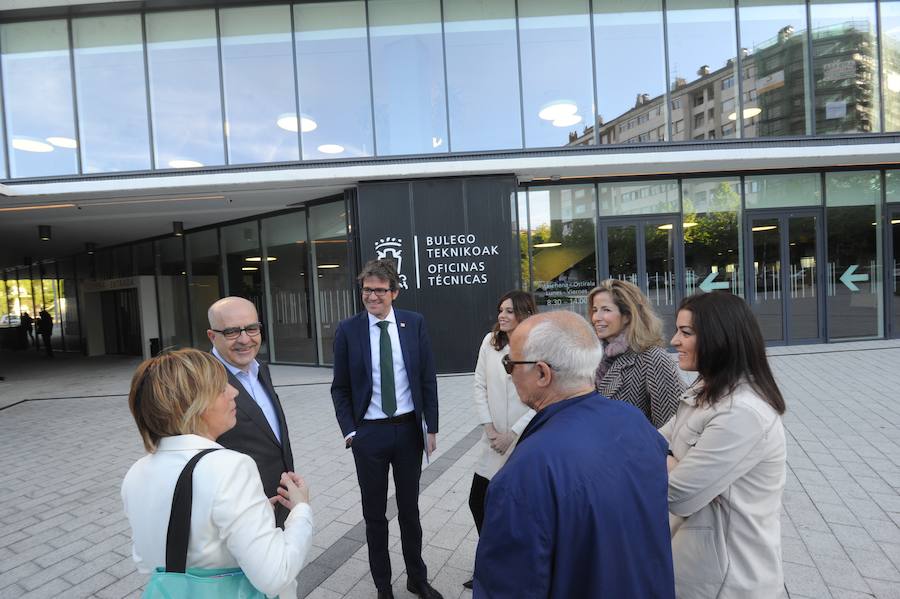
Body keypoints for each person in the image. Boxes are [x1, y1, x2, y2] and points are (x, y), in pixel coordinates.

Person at [473, 311, 675, 598]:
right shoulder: (634, 421)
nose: (509, 374)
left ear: (542, 373)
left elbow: (508, 587)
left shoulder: (526, 471)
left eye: (510, 363)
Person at [121, 349, 314, 598]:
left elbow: (146, 560)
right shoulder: (231, 467)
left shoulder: (136, 473)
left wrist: (251, 512)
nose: (234, 393)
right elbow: (276, 575)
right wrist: (301, 511)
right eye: (222, 388)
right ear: (194, 404)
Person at [331, 259, 442, 599]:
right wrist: (351, 431)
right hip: (370, 435)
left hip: (408, 431)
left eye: (380, 290)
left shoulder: (414, 323)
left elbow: (426, 378)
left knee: (410, 510)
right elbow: (341, 387)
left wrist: (431, 427)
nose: (372, 296)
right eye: (367, 290)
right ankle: (383, 585)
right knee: (374, 515)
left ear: (394, 292)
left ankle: (417, 578)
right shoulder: (349, 330)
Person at [663, 291, 787, 598]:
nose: (674, 340)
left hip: (728, 579)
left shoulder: (741, 412)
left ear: (720, 338)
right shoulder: (706, 388)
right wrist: (676, 461)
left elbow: (675, 495)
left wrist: (670, 460)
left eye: (686, 332)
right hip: (696, 561)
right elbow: (651, 442)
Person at [463, 290, 536, 590]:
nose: (501, 315)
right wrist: (489, 427)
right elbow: (479, 383)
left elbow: (541, 397)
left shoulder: (538, 345)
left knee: (519, 509)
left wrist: (513, 433)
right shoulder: (490, 342)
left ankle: (519, 569)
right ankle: (492, 564)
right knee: (478, 501)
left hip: (524, 440)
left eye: (508, 311)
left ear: (523, 313)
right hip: (493, 439)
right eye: (500, 310)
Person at [207, 296, 295, 528]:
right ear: (212, 336)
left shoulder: (260, 368)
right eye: (232, 332)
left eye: (252, 329)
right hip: (240, 511)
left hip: (280, 495)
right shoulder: (202, 383)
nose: (245, 339)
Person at [588, 279, 684, 428]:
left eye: (606, 310)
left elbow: (671, 426)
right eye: (595, 310)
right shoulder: (592, 358)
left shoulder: (653, 359)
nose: (596, 317)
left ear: (627, 315)